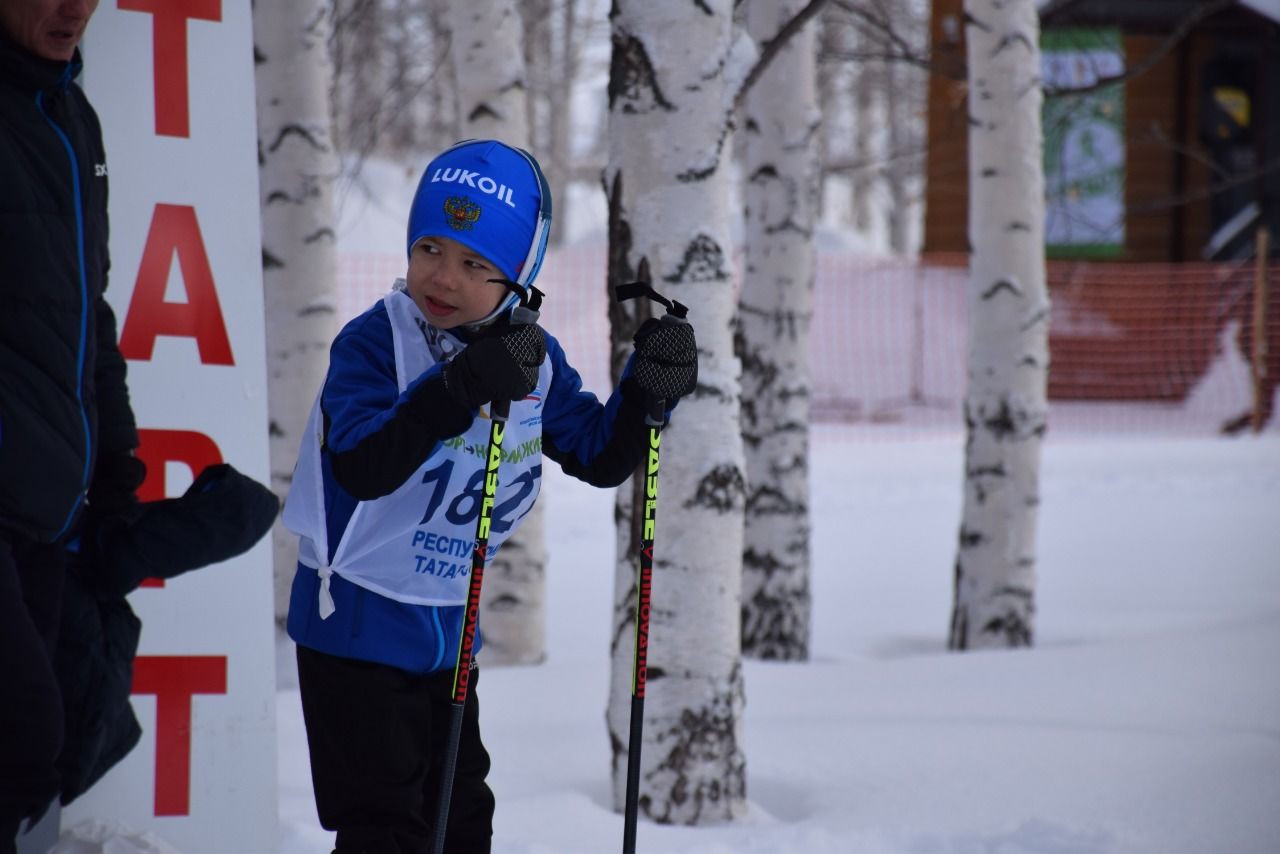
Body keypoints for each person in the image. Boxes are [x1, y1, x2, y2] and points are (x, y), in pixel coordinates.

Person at [282, 139, 698, 854]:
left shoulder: (530, 356)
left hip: (447, 631)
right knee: (389, 830)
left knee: (463, 821)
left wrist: (645, 394)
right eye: (430, 248)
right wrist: (461, 386)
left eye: (476, 264)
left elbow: (599, 455)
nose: (443, 277)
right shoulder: (374, 341)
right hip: (354, 623)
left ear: (519, 277)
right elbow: (363, 464)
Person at [0, 1, 139, 849]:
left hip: (47, 506)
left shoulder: (68, 113)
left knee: (43, 740)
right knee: (25, 732)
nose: (73, 8)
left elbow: (85, 311)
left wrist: (116, 461)